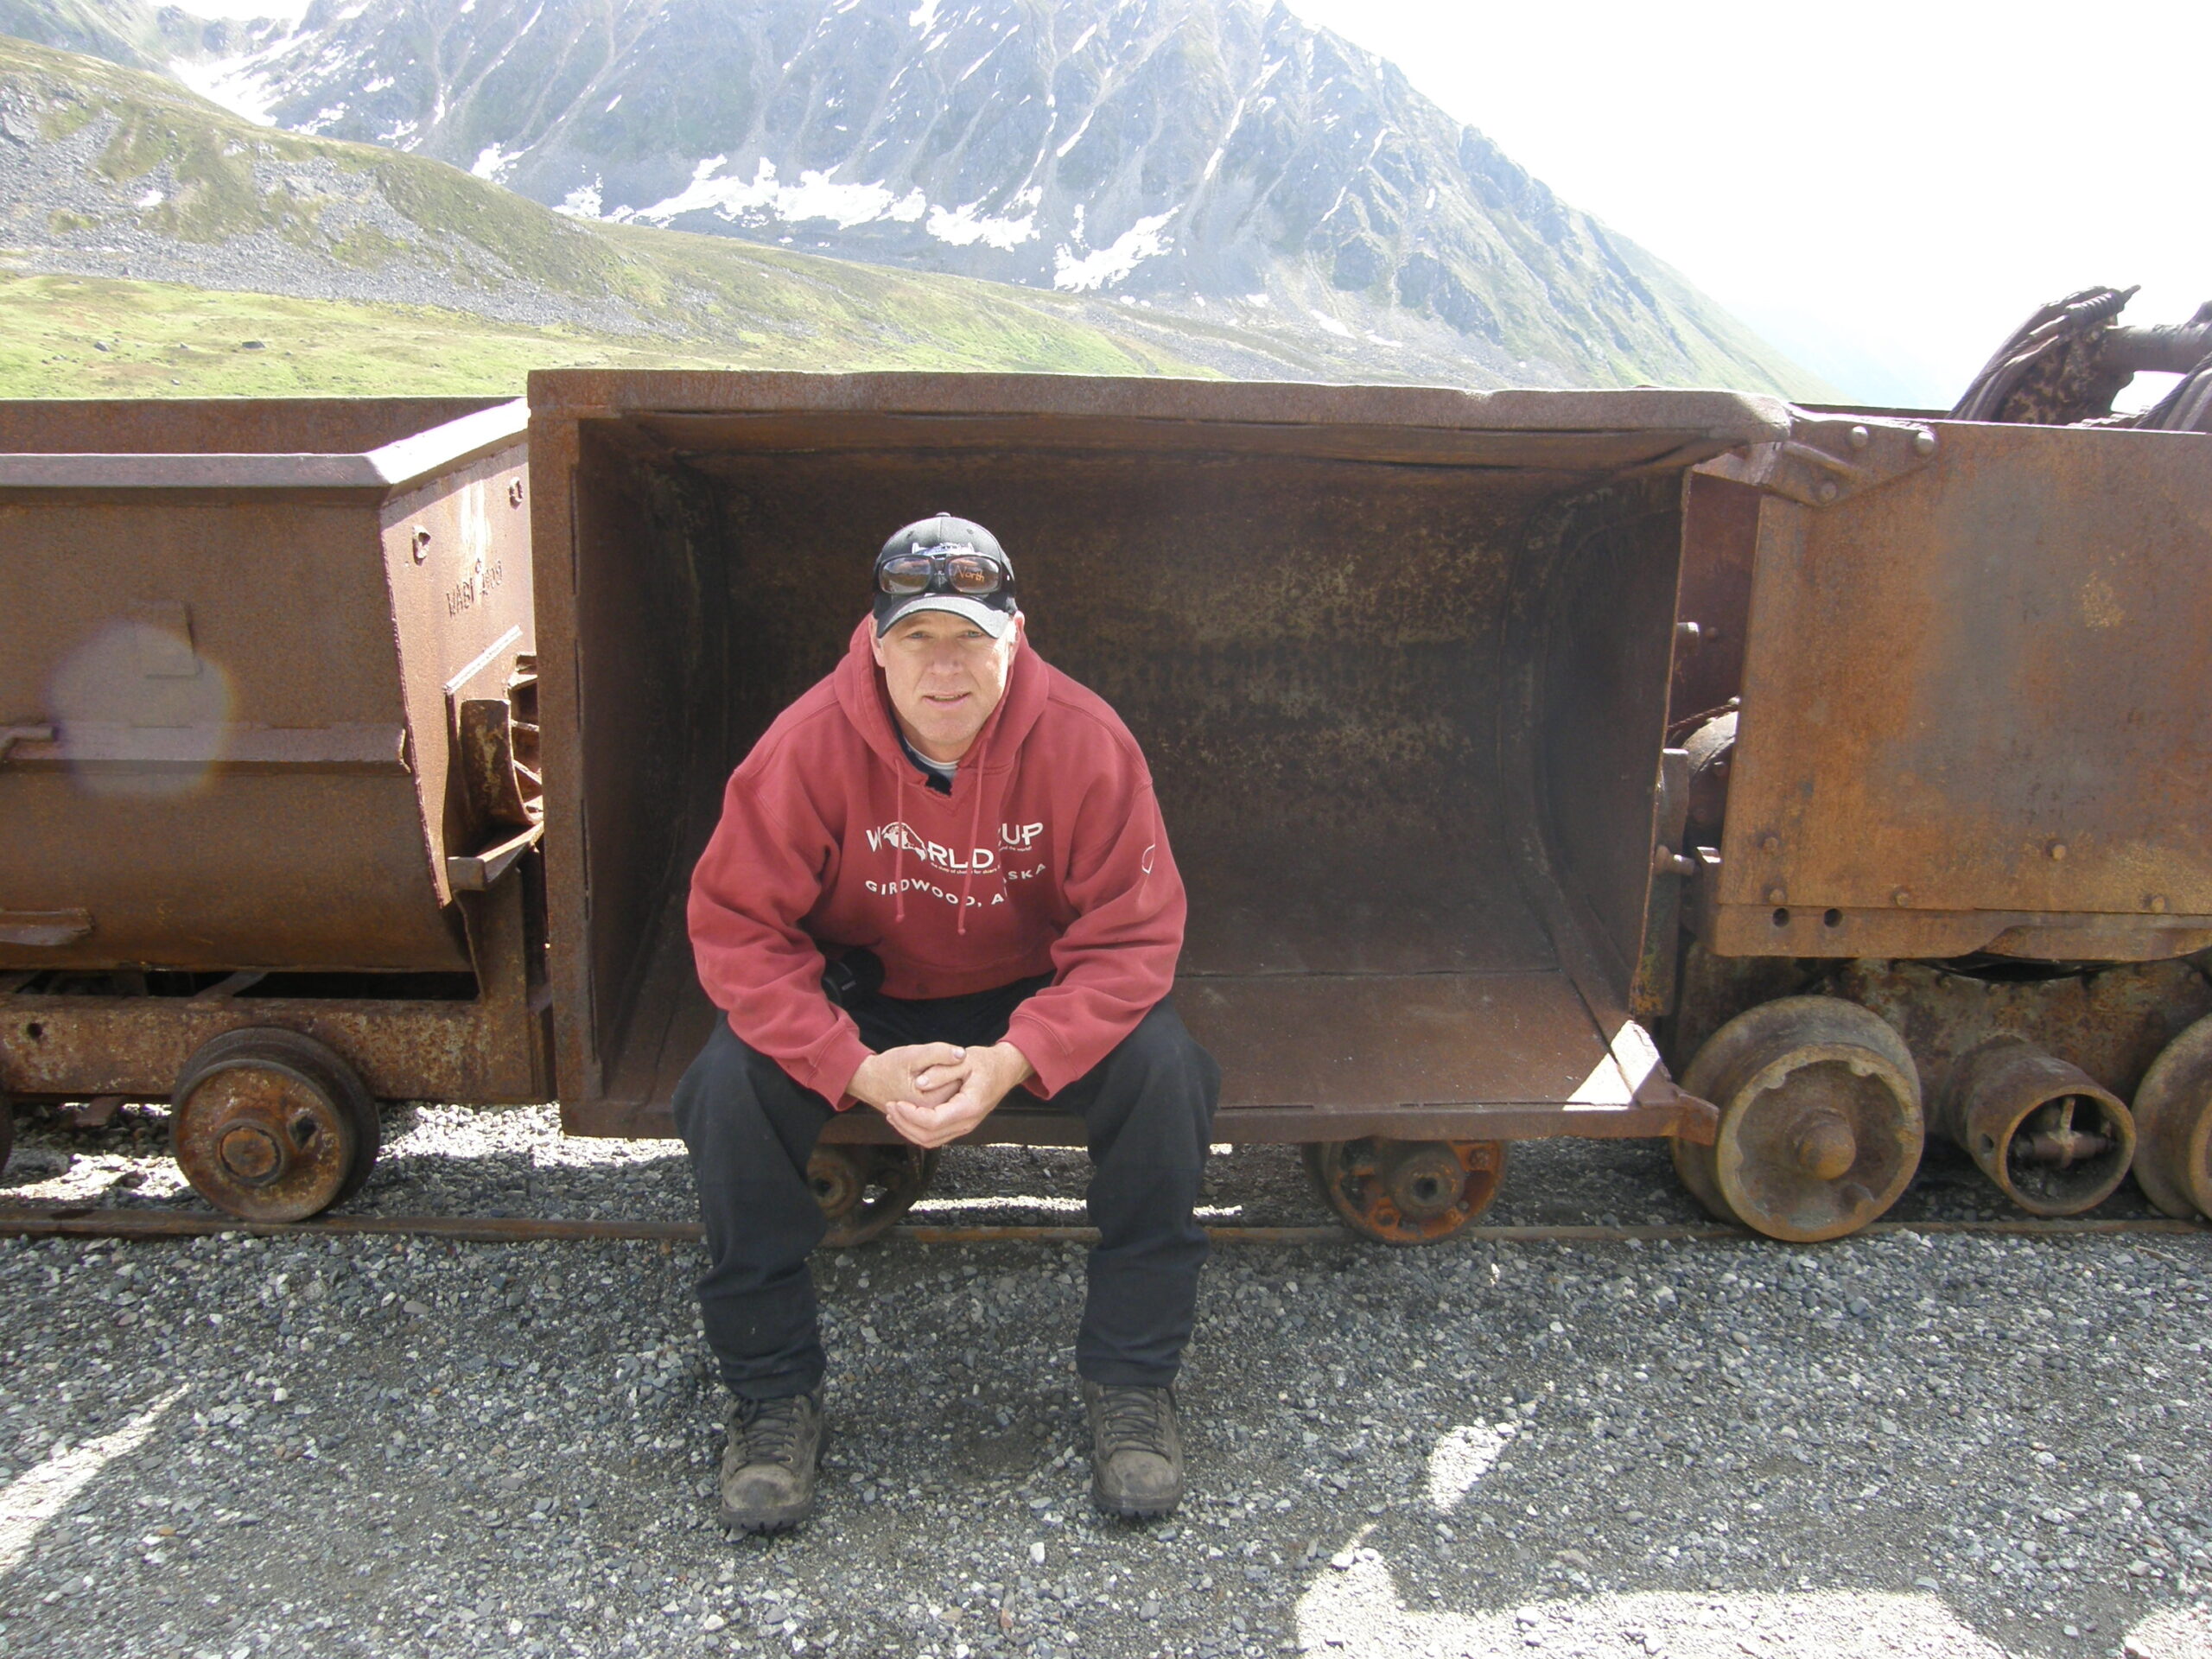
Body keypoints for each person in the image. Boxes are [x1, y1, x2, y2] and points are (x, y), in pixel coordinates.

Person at [674, 512, 1222, 1535]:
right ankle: (771, 1398)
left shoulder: (1089, 742)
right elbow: (739, 932)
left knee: (1169, 1071)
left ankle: (1133, 1385)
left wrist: (1019, 1056)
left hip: (1025, 995)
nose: (944, 667)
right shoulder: (803, 746)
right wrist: (851, 1066)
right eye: (918, 638)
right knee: (726, 1088)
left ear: (1014, 636)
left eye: (970, 637)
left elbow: (1134, 937)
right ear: (875, 642)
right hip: (865, 995)